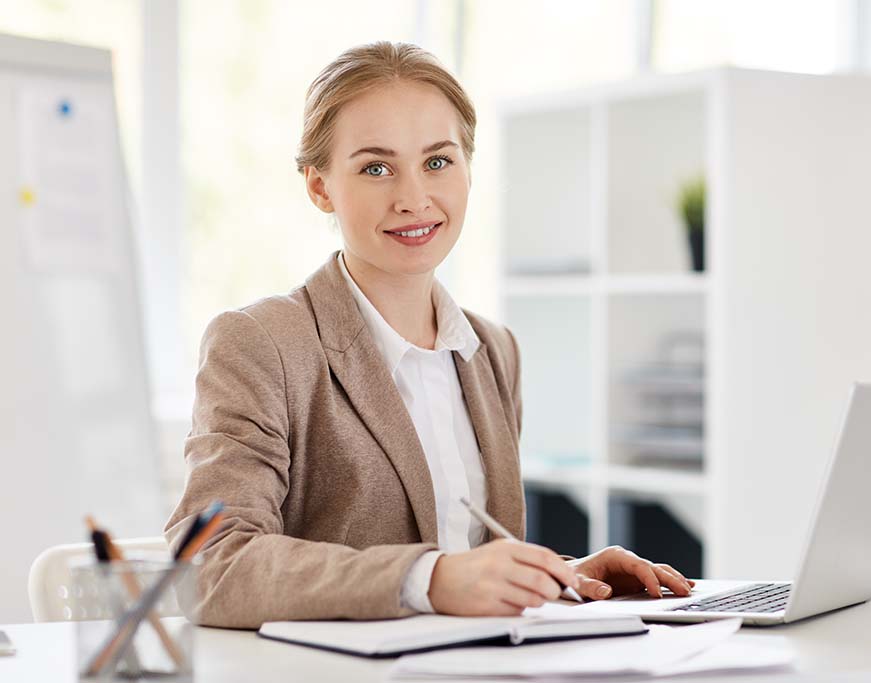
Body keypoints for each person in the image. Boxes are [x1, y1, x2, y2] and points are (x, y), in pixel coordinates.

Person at [165, 40, 694, 630]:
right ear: (319, 187)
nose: (414, 198)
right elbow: (203, 564)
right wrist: (432, 578)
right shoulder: (263, 344)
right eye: (375, 168)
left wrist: (561, 580)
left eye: (438, 161)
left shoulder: (492, 351)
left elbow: (460, 563)